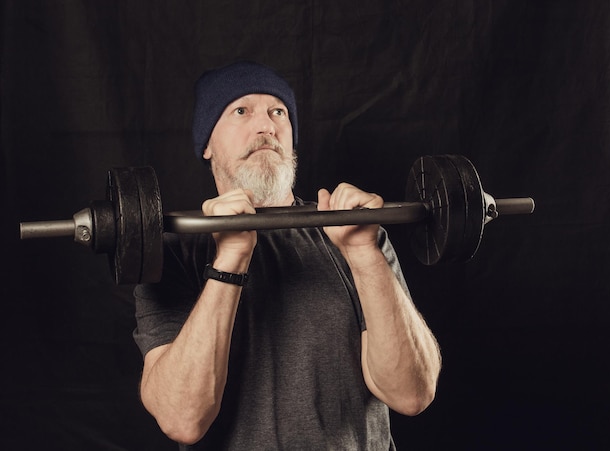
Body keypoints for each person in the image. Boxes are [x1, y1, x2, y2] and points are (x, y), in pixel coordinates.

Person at [133, 61, 442, 450]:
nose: (266, 126)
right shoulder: (169, 254)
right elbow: (183, 419)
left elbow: (412, 394)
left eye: (277, 112)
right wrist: (230, 259)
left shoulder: (356, 234)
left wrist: (363, 253)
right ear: (207, 144)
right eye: (241, 111)